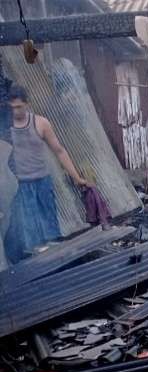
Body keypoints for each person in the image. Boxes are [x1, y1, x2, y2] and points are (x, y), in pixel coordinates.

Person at [3, 85, 89, 263]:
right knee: (30, 236)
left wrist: (77, 178)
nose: (16, 111)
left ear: (27, 104)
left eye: (19, 107)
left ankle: (59, 266)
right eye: (12, 107)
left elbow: (59, 151)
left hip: (43, 182)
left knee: (51, 231)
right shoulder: (6, 128)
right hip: (21, 187)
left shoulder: (40, 123)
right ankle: (38, 269)